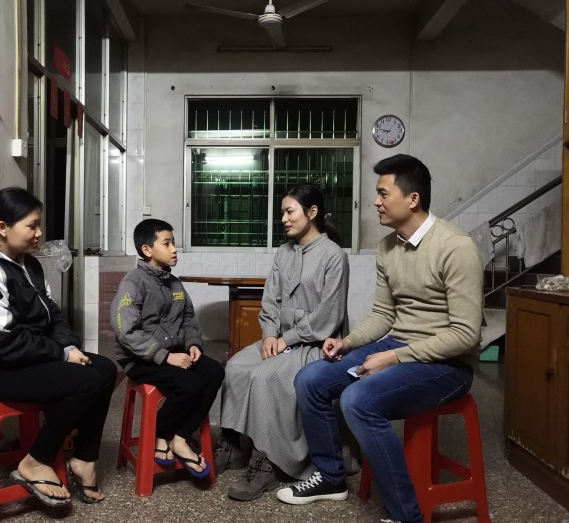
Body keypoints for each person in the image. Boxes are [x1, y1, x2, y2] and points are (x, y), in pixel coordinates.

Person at [277, 155, 484, 523]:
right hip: (399, 346)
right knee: (310, 379)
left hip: (448, 365)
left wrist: (393, 358)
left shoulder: (456, 246)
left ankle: (405, 516)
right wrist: (349, 343)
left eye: (383, 193)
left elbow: (466, 335)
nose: (375, 201)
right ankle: (331, 477)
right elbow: (384, 315)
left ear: (413, 199)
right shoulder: (388, 247)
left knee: (358, 400)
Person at [0, 187, 117, 507]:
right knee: (87, 381)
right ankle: (36, 461)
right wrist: (60, 354)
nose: (39, 233)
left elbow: (52, 316)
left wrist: (68, 345)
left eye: (39, 225)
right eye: (32, 226)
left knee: (103, 368)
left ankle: (84, 459)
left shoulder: (28, 265)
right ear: (3, 228)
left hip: (20, 357)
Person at [215, 184, 350, 501]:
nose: (284, 219)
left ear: (312, 212)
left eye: (290, 212)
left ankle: (268, 461)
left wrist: (286, 338)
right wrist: (268, 335)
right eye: (282, 213)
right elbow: (270, 301)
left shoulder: (334, 256)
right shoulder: (284, 252)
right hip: (280, 339)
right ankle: (232, 445)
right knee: (235, 367)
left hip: (315, 346)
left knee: (265, 377)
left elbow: (327, 317)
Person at [111, 218, 224, 479]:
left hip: (174, 352)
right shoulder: (133, 284)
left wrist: (193, 344)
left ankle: (180, 437)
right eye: (167, 243)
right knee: (189, 384)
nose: (174, 249)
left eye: (174, 243)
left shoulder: (174, 284)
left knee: (214, 371)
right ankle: (160, 433)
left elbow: (188, 319)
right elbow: (126, 332)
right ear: (147, 250)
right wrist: (165, 357)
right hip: (140, 359)